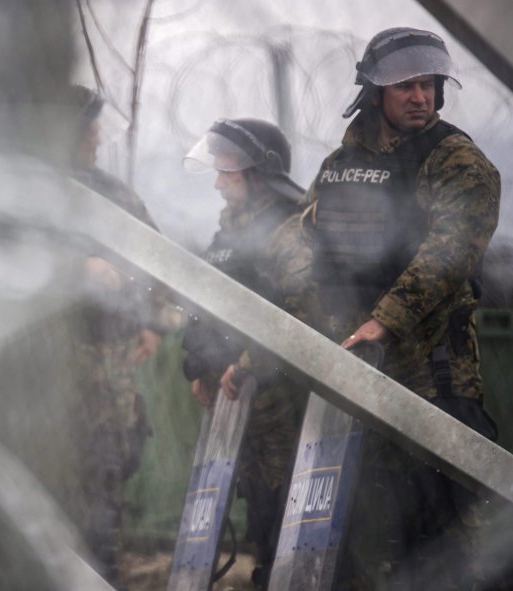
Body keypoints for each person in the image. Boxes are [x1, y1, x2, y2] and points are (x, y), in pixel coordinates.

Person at [304, 27, 500, 588]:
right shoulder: (342, 161)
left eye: (429, 85)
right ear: (375, 92)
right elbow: (302, 229)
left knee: (443, 540)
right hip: (354, 374)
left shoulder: (456, 160)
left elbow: (450, 254)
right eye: (406, 86)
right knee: (362, 537)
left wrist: (382, 322)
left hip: (432, 377)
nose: (421, 97)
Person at [180, 118, 314, 587]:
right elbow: (206, 302)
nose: (217, 183)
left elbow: (299, 312)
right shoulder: (228, 234)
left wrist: (250, 363)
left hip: (280, 403)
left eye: (228, 172)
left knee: (286, 515)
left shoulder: (288, 231)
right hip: (240, 402)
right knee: (259, 508)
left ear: (260, 173)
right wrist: (198, 363)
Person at [66, 85, 170, 589]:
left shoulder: (114, 196)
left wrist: (152, 321)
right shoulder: (25, 195)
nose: (96, 136)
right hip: (40, 371)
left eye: (95, 126)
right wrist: (72, 265)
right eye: (87, 127)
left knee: (104, 489)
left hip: (105, 371)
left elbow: (160, 268)